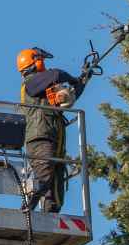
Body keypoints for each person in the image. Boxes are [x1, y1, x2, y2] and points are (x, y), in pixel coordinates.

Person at [17, 47, 86, 213]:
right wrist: (72, 79)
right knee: (44, 175)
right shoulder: (31, 82)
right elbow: (56, 74)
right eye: (41, 59)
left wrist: (83, 79)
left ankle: (50, 215)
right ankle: (28, 206)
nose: (44, 64)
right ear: (34, 62)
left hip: (55, 140)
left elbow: (68, 96)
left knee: (55, 189)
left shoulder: (44, 86)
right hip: (40, 137)